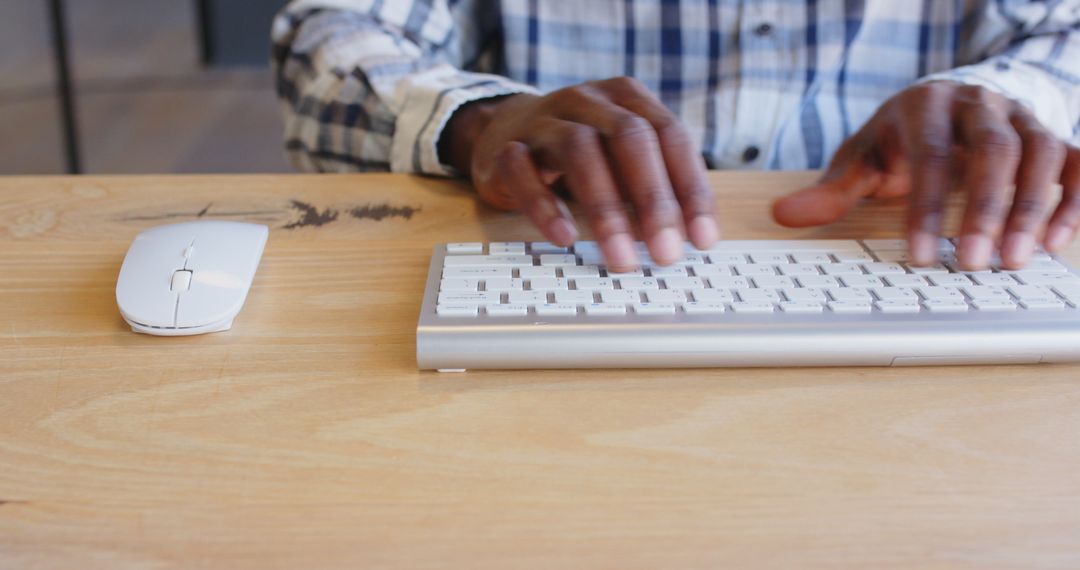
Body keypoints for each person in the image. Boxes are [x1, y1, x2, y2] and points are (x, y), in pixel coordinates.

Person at [272, 1, 1080, 272]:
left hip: (899, 245)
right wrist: (478, 119)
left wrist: (1001, 98)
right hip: (560, 237)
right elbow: (332, 38)